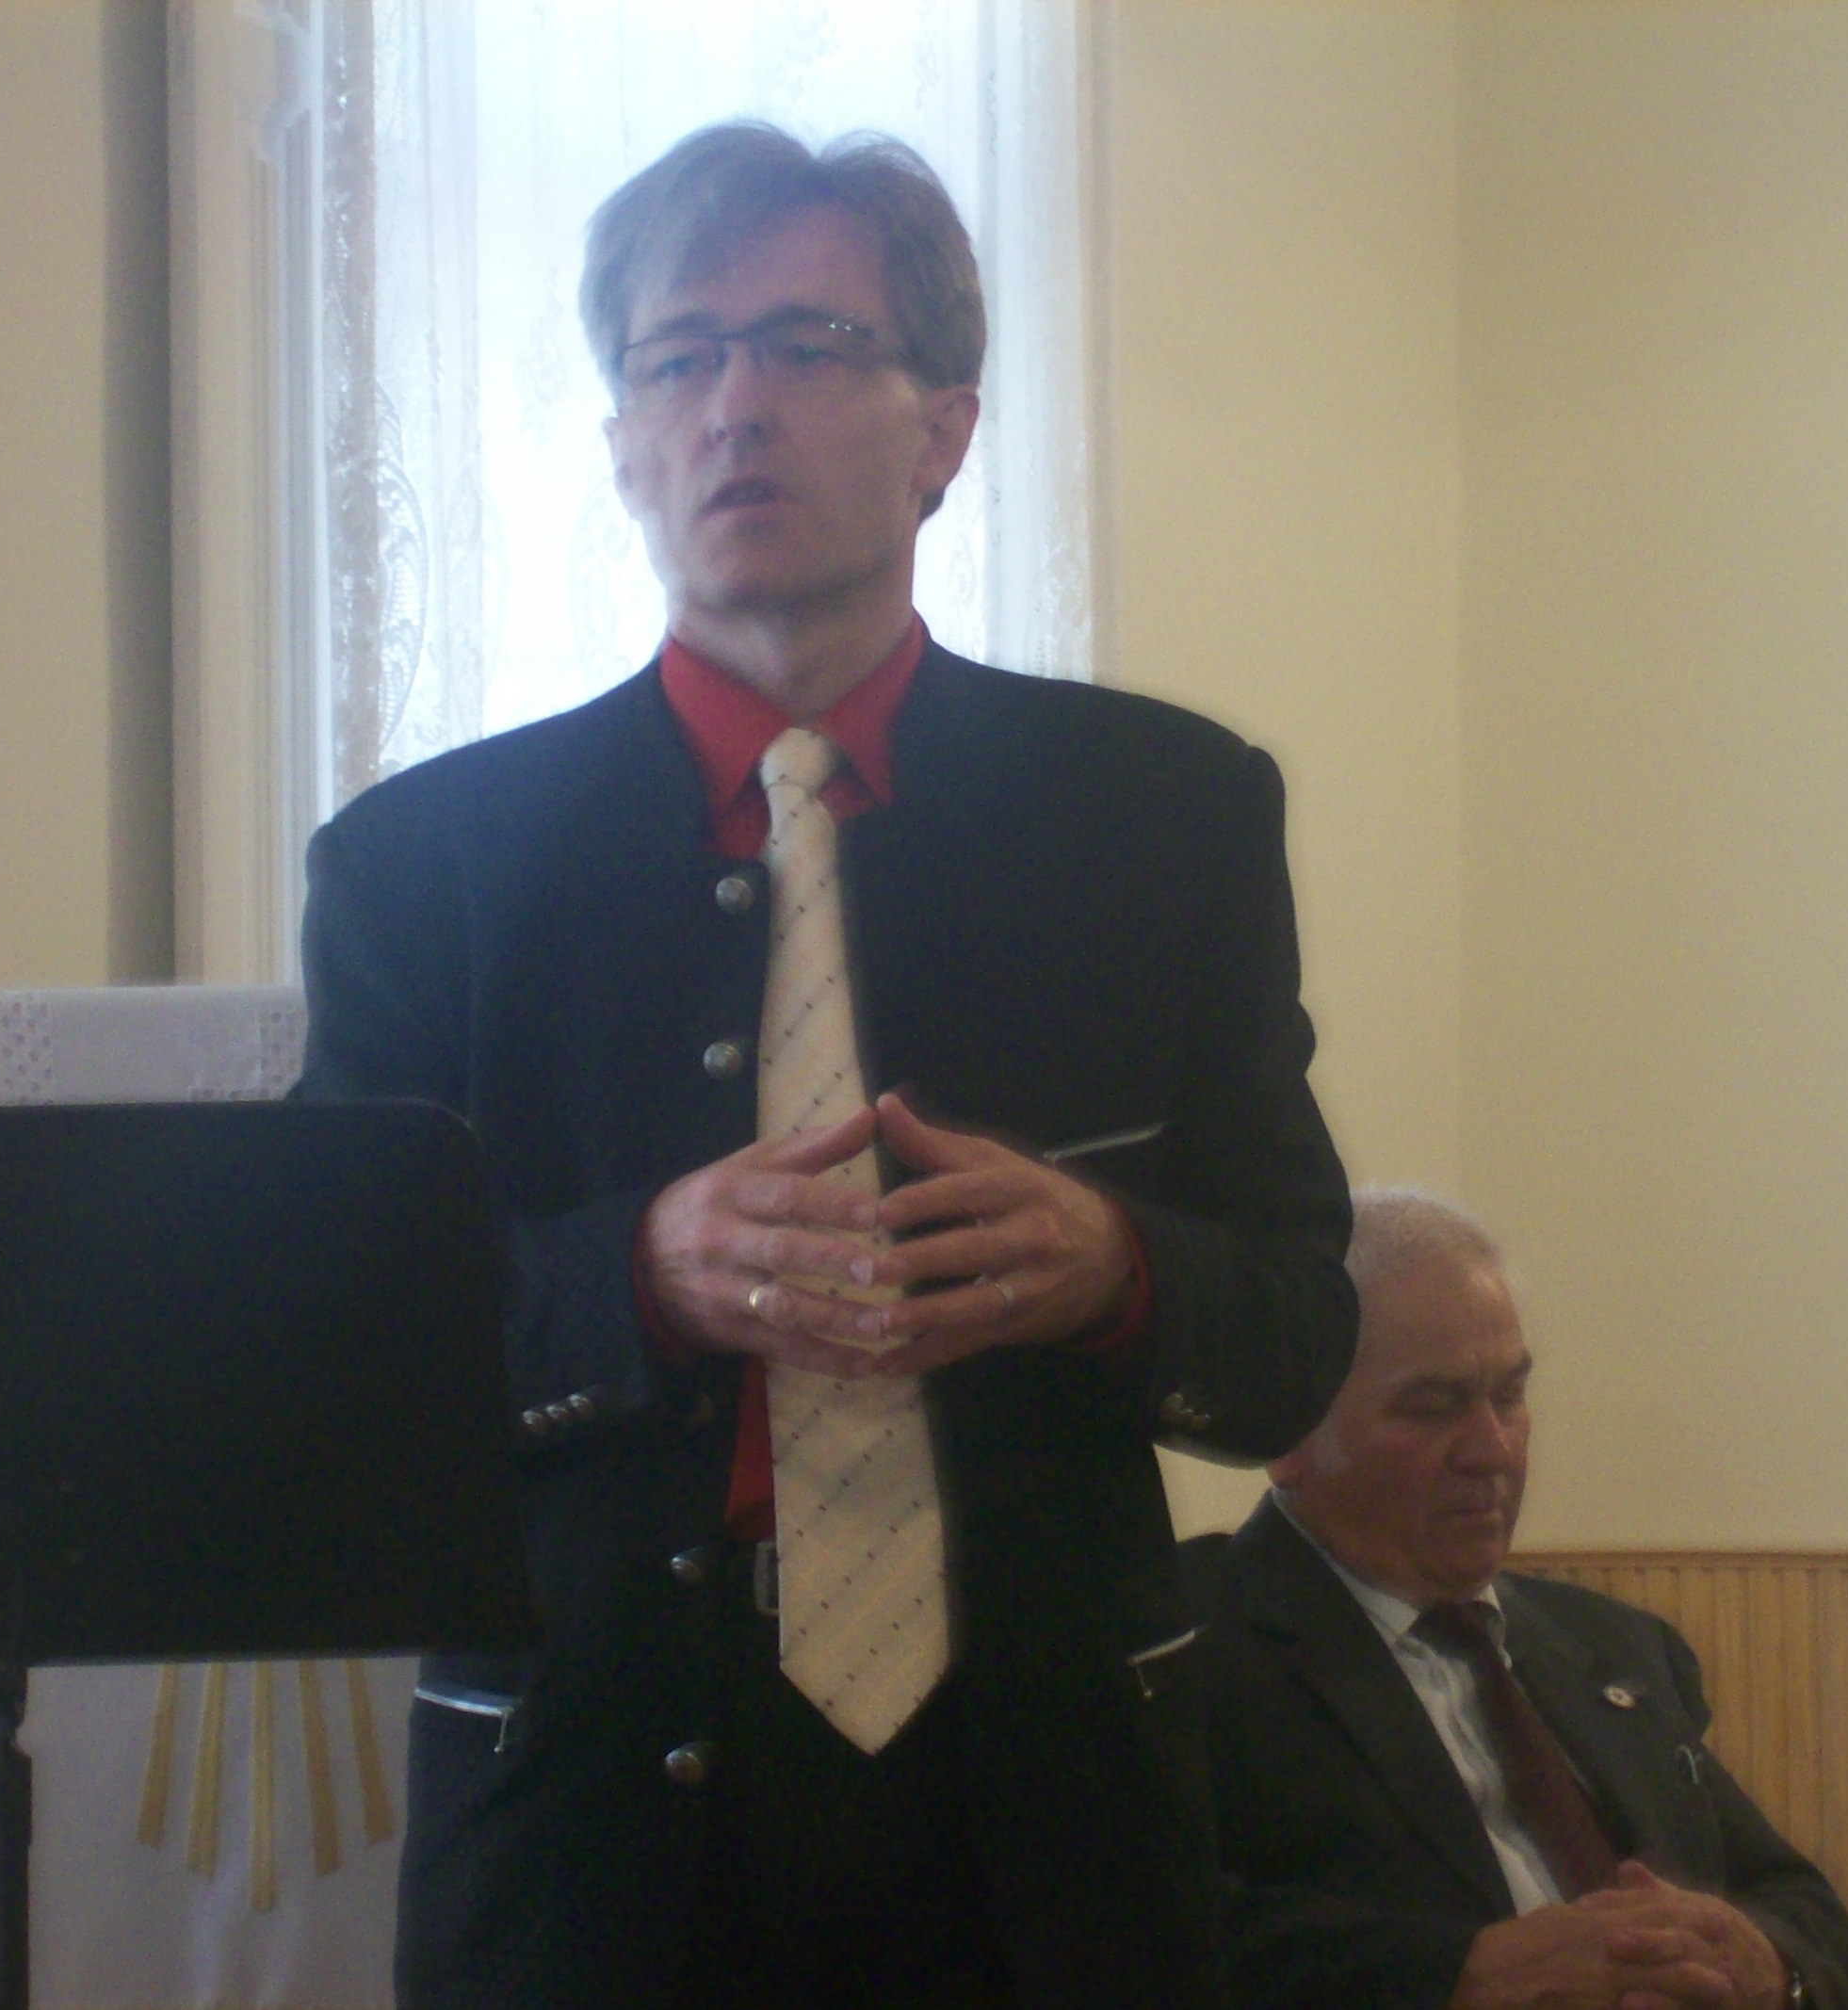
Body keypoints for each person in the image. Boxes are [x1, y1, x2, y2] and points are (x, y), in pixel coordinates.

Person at [295, 121, 1355, 2010]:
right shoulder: (422, 864)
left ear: (944, 428)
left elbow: (1293, 1329)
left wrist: (1116, 1265)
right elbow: (342, 1354)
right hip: (584, 1826)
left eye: (803, 343)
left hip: (1057, 1825)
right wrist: (637, 1271)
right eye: (675, 358)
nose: (732, 405)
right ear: (621, 440)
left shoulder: (1165, 813)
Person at [1187, 1191, 1848, 2010]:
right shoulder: (1179, 1656)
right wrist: (1456, 1977)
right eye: (1433, 1408)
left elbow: (1809, 1915)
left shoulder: (1619, 1648)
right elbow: (1136, 1944)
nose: (1493, 1450)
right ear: (1289, 1435)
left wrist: (1767, 1967)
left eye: (1509, 1395)